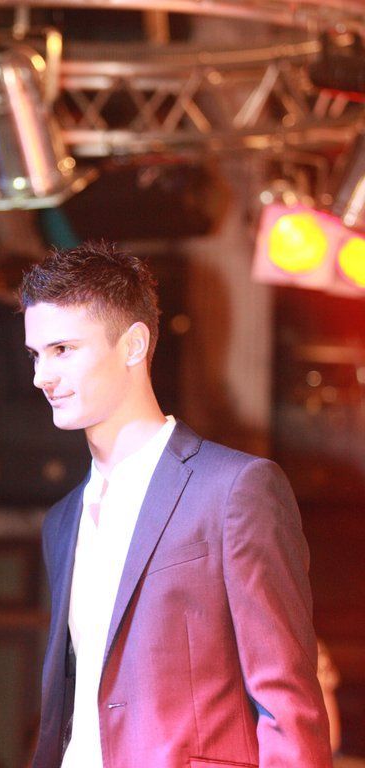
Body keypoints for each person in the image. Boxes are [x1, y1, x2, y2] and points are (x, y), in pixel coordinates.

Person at [20, 241, 333, 768]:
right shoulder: (62, 520)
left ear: (133, 345)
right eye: (36, 354)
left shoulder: (233, 489)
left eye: (63, 350)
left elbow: (287, 700)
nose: (41, 376)